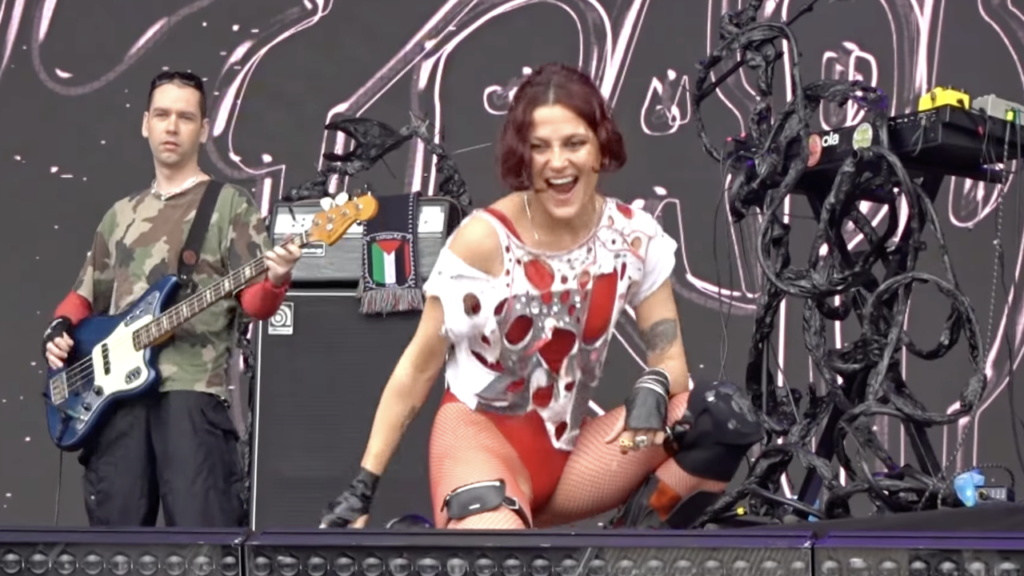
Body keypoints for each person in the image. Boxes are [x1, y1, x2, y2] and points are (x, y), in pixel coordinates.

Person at [320, 62, 763, 530]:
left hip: (571, 458)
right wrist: (362, 487)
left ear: (600, 148)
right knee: (501, 553)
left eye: (574, 143)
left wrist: (653, 386)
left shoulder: (633, 237)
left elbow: (669, 359)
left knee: (717, 418)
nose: (558, 162)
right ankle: (466, 540)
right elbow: (417, 368)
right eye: (540, 147)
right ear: (522, 157)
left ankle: (624, 554)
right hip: (481, 442)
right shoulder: (483, 241)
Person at [42, 70, 302, 528]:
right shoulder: (121, 215)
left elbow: (255, 304)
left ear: (203, 130)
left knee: (204, 545)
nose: (172, 126)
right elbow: (84, 296)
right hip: (115, 402)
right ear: (145, 124)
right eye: (162, 115)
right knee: (116, 549)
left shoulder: (229, 205)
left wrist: (277, 278)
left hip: (192, 394)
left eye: (185, 117)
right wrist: (58, 329)